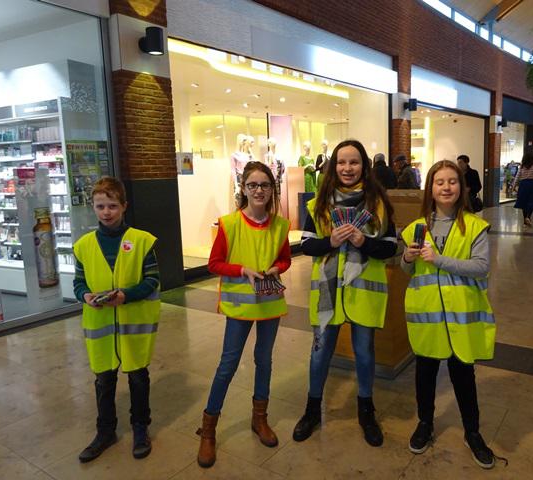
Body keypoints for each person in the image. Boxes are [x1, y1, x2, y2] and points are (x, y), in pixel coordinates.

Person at [292, 139, 397, 447]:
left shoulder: (378, 203)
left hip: (363, 293)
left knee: (364, 353)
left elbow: (391, 248)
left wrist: (364, 243)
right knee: (320, 351)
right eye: (341, 162)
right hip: (327, 291)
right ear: (333, 166)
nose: (347, 168)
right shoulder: (319, 203)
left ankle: (366, 411)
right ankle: (312, 410)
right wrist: (331, 242)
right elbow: (307, 245)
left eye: (353, 162)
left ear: (364, 165)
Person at [400, 160, 502, 469]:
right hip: (427, 315)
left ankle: (472, 432)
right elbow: (407, 269)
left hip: (461, 316)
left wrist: (440, 259)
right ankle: (425, 423)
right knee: (425, 373)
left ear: (462, 187)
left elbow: (481, 266)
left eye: (452, 182)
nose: (446, 187)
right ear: (430, 188)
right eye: (439, 182)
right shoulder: (416, 227)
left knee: (463, 375)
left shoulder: (473, 225)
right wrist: (407, 256)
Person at [197, 161, 291, 468]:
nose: (259, 191)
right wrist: (243, 271)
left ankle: (259, 419)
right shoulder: (229, 223)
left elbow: (285, 259)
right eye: (253, 185)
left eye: (265, 185)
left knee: (265, 360)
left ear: (272, 189)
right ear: (244, 189)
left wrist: (277, 268)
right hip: (239, 307)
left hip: (269, 303)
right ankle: (208, 430)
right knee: (228, 364)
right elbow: (214, 264)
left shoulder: (280, 225)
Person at [74, 177, 160, 463]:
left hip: (134, 328)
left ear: (124, 206)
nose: (106, 212)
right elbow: (78, 282)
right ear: (93, 207)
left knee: (137, 378)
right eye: (100, 206)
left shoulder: (141, 240)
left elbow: (152, 280)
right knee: (103, 381)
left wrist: (126, 295)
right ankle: (105, 431)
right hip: (100, 328)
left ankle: (140, 428)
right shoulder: (84, 246)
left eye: (112, 205)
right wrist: (84, 295)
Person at [511, 153, 533, 227]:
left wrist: (513, 187)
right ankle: (528, 217)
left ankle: (525, 221)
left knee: (524, 204)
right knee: (532, 202)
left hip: (523, 186)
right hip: (532, 186)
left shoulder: (522, 166)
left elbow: (517, 177)